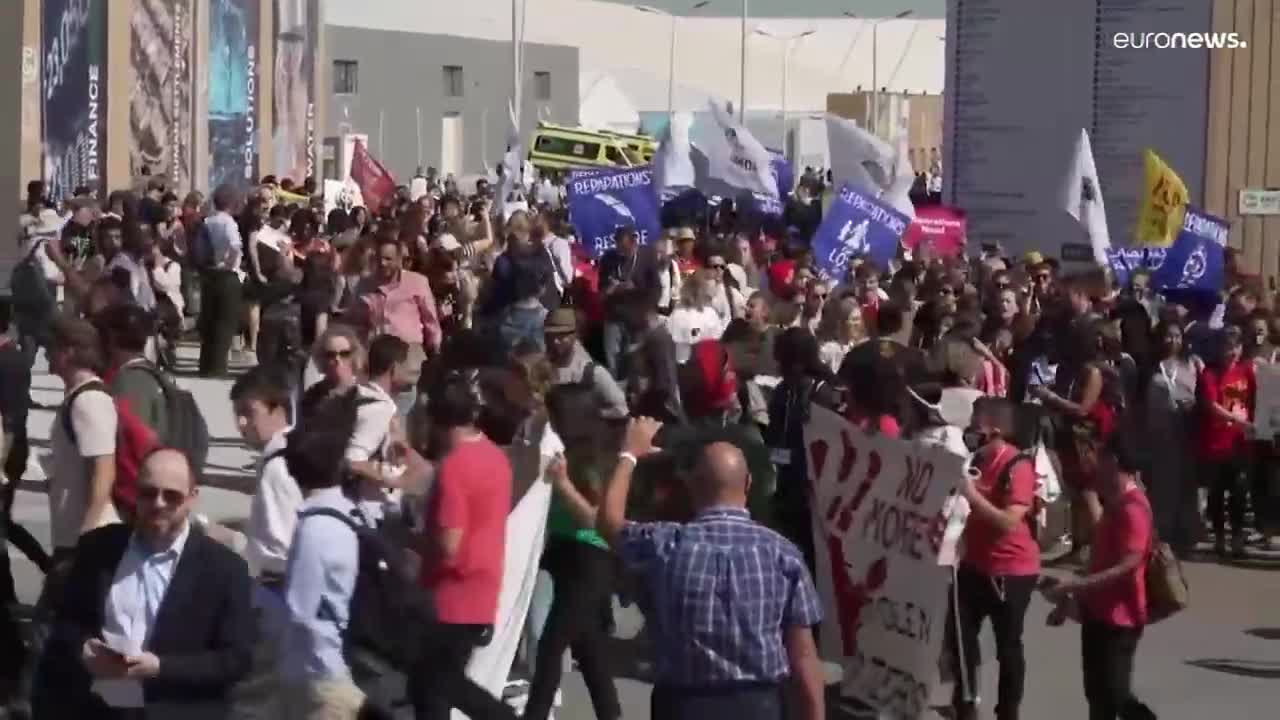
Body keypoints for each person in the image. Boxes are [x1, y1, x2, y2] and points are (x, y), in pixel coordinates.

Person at [598, 420, 825, 720]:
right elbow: (804, 659)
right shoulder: (783, 554)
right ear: (748, 484)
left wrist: (629, 455)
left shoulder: (665, 543)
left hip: (682, 705)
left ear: (691, 485)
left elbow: (608, 523)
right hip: (758, 706)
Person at [37, 448, 254, 719]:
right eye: (148, 493)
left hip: (175, 709)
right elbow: (66, 624)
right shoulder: (99, 548)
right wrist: (83, 649)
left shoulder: (224, 568)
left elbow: (236, 659)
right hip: (97, 708)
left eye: (171, 496)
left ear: (192, 498)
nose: (159, 503)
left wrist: (161, 667)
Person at [411, 371, 518, 720]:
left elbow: (450, 544)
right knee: (434, 686)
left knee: (437, 684)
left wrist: (411, 542)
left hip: (450, 596)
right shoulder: (495, 457)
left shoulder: (454, 468)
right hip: (483, 587)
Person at [1043, 436, 1157, 720]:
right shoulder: (1114, 502)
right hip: (1097, 614)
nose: (1096, 462)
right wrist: (1069, 603)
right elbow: (1099, 562)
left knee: (1116, 694)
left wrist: (1074, 585)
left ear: (1114, 461)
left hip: (1122, 619)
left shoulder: (1134, 507)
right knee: (1097, 696)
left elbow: (1128, 564)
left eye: (1101, 456)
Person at [950, 397, 1041, 720]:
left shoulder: (1018, 466)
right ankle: (965, 702)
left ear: (996, 430)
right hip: (973, 565)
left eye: (977, 427)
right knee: (960, 639)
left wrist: (971, 495)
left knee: (1008, 645)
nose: (970, 432)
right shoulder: (974, 460)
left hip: (1011, 571)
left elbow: (1008, 521)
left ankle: (1008, 711)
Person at [277, 422, 371, 719]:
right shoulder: (353, 512)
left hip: (321, 674)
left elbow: (300, 612)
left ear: (293, 473)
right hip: (346, 661)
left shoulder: (314, 528)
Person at [45, 317, 120, 586]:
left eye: (51, 346)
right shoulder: (78, 396)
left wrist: (85, 537)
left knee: (57, 622)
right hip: (75, 537)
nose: (45, 353)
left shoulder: (89, 401)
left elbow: (103, 470)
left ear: (69, 352)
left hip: (87, 539)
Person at [350, 238, 442, 416]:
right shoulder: (365, 285)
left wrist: (434, 350)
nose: (383, 263)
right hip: (377, 355)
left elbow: (430, 320)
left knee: (404, 406)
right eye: (379, 259)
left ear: (400, 260)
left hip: (408, 354)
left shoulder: (417, 282)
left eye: (388, 259)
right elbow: (355, 321)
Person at [1196, 325, 1256, 558]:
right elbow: (1210, 406)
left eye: (1235, 347)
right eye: (1227, 347)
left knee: (1239, 491)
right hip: (1216, 442)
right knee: (1217, 493)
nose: (1231, 352)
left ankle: (1238, 537)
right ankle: (1220, 537)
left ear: (1241, 349)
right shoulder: (1209, 374)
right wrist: (1235, 419)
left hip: (1241, 442)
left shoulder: (1246, 370)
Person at [1145, 320, 1202, 555]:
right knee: (1162, 485)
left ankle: (1187, 534)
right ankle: (1163, 534)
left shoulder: (1192, 363)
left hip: (1186, 430)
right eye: (1168, 336)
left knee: (1187, 485)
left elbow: (1205, 394)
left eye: (1177, 336)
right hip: (1159, 433)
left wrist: (1194, 405)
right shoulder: (1149, 366)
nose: (1173, 340)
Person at [198, 184, 247, 377]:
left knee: (209, 320)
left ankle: (205, 364)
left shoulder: (207, 221)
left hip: (209, 274)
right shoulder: (228, 223)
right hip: (226, 276)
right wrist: (229, 264)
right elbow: (235, 246)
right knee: (225, 322)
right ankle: (218, 367)